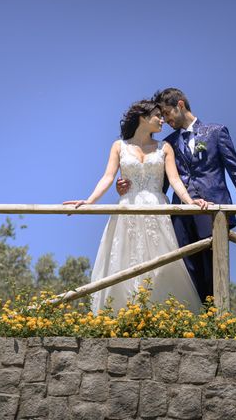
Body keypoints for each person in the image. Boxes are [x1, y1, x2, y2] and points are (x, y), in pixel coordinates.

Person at [117, 87, 236, 302]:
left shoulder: (216, 131)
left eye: (167, 113)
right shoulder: (168, 143)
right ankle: (194, 323)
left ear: (180, 105)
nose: (165, 120)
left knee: (213, 269)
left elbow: (235, 168)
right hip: (181, 214)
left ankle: (217, 322)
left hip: (213, 212)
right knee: (185, 270)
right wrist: (127, 189)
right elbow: (159, 182)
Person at [64, 100, 208, 314]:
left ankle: (164, 316)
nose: (162, 120)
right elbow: (107, 177)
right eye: (158, 115)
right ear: (143, 117)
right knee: (124, 260)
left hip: (157, 210)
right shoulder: (118, 146)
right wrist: (89, 200)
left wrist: (190, 201)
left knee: (162, 263)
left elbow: (175, 181)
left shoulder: (164, 147)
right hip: (127, 211)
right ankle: (121, 315)